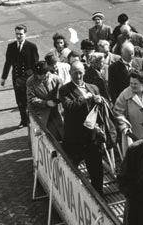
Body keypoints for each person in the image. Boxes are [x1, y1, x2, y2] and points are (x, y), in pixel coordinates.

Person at [59, 61, 104, 194]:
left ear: (84, 72)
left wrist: (100, 101)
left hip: (92, 139)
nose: (78, 76)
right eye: (75, 73)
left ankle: (99, 196)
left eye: (80, 73)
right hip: (75, 138)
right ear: (70, 73)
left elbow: (100, 109)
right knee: (71, 169)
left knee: (96, 170)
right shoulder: (65, 90)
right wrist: (85, 99)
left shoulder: (93, 87)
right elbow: (69, 106)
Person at [1, 24, 39, 128]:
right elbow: (8, 62)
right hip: (17, 78)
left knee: (30, 100)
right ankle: (24, 121)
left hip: (29, 78)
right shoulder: (11, 46)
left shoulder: (31, 46)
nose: (18, 36)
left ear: (25, 34)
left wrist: (35, 77)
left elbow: (35, 63)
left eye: (21, 34)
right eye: (17, 34)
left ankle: (33, 120)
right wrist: (4, 78)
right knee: (20, 101)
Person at [26, 61, 64, 141]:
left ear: (47, 72)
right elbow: (31, 99)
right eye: (37, 74)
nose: (39, 76)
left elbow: (62, 93)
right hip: (43, 115)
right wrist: (45, 103)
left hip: (57, 112)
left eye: (42, 74)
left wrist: (57, 100)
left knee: (62, 134)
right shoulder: (30, 81)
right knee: (48, 138)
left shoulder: (56, 79)